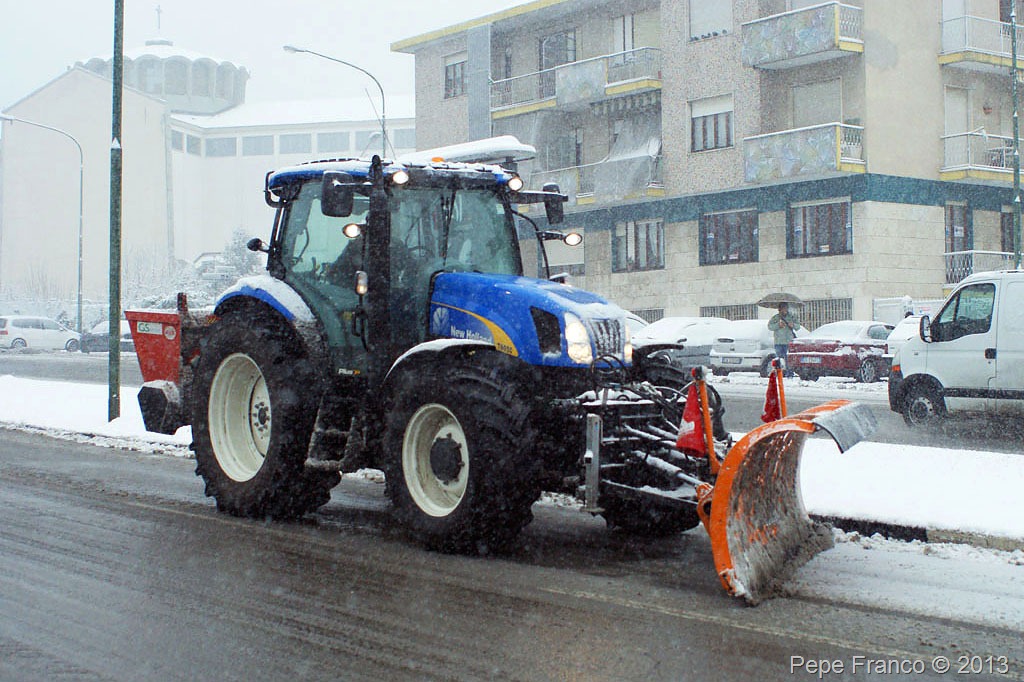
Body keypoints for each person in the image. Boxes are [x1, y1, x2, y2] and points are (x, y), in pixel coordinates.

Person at [768, 302, 800, 377]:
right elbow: (770, 326)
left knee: (788, 360)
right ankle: (779, 373)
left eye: (785, 308)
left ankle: (789, 374)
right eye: (782, 308)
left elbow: (798, 327)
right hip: (778, 342)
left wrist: (793, 325)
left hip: (788, 342)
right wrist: (778, 325)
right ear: (779, 309)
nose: (784, 310)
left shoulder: (792, 317)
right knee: (779, 359)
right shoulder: (775, 318)